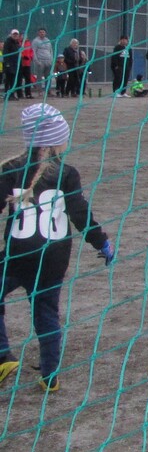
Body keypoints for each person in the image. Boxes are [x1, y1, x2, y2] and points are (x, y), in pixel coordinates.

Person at [0, 104, 114, 393]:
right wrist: (101, 242)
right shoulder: (67, 173)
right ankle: (50, 376)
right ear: (57, 140)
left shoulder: (10, 170)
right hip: (53, 259)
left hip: (17, 255)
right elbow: (80, 214)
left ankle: (3, 356)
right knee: (46, 313)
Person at [31, 28, 54, 95]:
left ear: (45, 33)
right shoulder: (35, 41)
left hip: (48, 61)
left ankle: (48, 90)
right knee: (39, 77)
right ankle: (40, 91)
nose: (42, 33)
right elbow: (33, 51)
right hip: (40, 61)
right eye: (40, 32)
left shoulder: (48, 40)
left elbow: (51, 50)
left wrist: (51, 60)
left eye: (43, 32)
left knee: (48, 77)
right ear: (38, 33)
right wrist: (37, 61)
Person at [2, 29, 22, 100]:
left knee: (13, 80)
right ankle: (8, 95)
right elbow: (5, 53)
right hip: (9, 64)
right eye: (14, 34)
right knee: (8, 80)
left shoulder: (17, 43)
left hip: (15, 64)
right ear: (11, 35)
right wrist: (7, 63)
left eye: (16, 34)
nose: (15, 35)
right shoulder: (8, 42)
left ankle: (12, 94)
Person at [18, 34, 33, 99]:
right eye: (22, 36)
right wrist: (23, 56)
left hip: (27, 64)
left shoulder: (29, 43)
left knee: (28, 79)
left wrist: (30, 57)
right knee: (19, 79)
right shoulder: (18, 43)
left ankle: (28, 94)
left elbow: (31, 51)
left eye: (25, 36)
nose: (24, 37)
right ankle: (20, 94)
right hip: (20, 64)